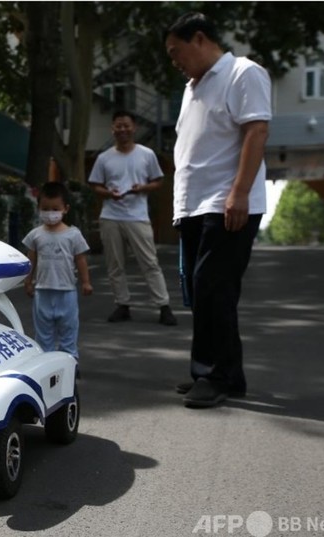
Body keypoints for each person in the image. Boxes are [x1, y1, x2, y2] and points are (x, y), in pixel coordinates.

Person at [165, 12, 271, 408]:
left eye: (176, 52)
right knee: (204, 291)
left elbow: (256, 131)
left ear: (199, 38)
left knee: (212, 287)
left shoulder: (243, 73)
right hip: (195, 205)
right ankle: (221, 373)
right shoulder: (192, 87)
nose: (175, 61)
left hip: (226, 203)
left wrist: (239, 193)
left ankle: (214, 376)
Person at [88, 111, 178, 326]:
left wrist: (143, 188)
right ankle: (122, 304)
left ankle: (163, 306)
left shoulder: (146, 154)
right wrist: (108, 193)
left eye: (126, 125)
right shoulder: (104, 158)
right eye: (118, 126)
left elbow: (158, 181)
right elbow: (95, 184)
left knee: (149, 262)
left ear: (134, 128)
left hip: (138, 215)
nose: (123, 129)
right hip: (111, 215)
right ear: (113, 129)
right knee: (115, 264)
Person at [22, 182, 93, 362]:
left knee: (68, 330)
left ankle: (70, 362)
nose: (50, 213)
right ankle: (45, 364)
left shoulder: (73, 235)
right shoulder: (35, 235)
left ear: (65, 209)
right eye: (45, 209)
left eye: (55, 209)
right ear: (39, 208)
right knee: (43, 334)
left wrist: (86, 282)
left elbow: (80, 259)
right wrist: (28, 280)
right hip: (42, 291)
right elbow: (31, 260)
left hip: (66, 291)